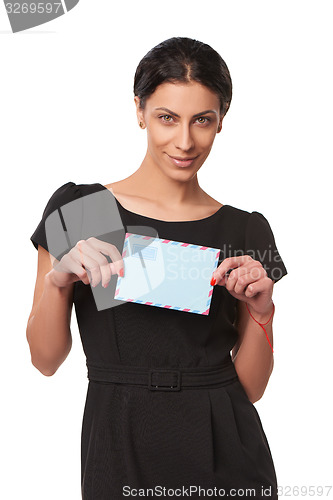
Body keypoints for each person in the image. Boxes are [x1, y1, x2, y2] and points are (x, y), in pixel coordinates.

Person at [27, 37, 288, 499]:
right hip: (117, 441)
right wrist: (59, 280)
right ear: (140, 110)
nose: (185, 141)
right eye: (168, 117)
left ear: (221, 121)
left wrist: (262, 315)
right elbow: (45, 360)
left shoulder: (246, 230)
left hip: (225, 449)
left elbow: (251, 387)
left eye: (202, 120)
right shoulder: (84, 210)